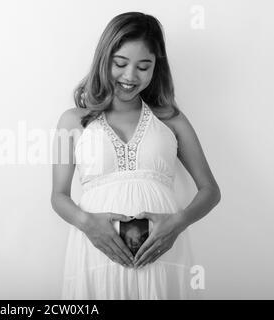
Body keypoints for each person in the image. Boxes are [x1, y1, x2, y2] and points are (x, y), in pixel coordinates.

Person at [50, 12, 221, 299]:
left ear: (157, 68)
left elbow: (210, 191)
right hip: (97, 255)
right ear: (104, 59)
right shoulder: (73, 121)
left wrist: (177, 224)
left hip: (162, 255)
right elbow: (58, 196)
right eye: (120, 63)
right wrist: (88, 224)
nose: (130, 77)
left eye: (144, 66)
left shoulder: (172, 121)